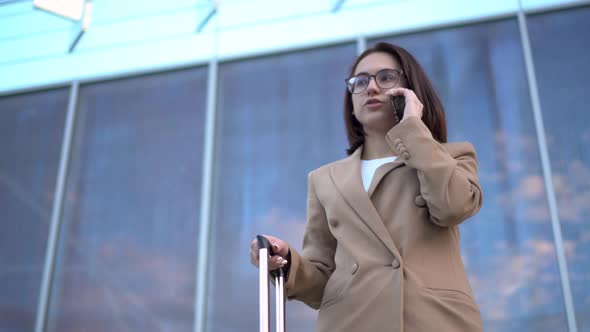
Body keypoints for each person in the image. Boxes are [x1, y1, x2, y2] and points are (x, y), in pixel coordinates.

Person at [249, 42, 483, 332]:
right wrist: (286, 262)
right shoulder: (325, 179)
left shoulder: (452, 156)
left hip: (433, 320)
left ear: (411, 92)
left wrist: (413, 129)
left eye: (385, 78)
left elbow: (453, 207)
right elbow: (322, 277)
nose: (371, 88)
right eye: (360, 82)